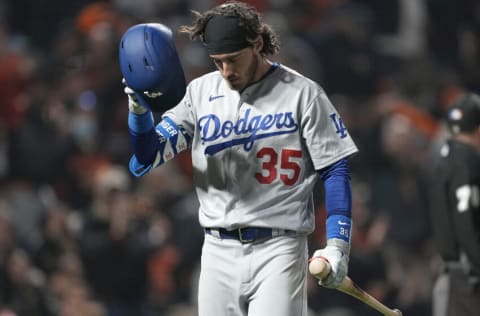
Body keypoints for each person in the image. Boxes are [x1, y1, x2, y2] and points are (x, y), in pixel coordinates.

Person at [121, 1, 358, 315]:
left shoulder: (303, 93)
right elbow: (147, 156)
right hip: (218, 250)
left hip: (280, 248)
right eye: (218, 62)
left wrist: (337, 244)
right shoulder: (199, 93)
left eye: (233, 60)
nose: (226, 71)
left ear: (257, 44)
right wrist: (139, 114)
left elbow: (336, 168)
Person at [429, 92, 480, 316]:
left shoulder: (443, 160)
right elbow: (465, 221)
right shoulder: (467, 162)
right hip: (469, 282)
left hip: (452, 277)